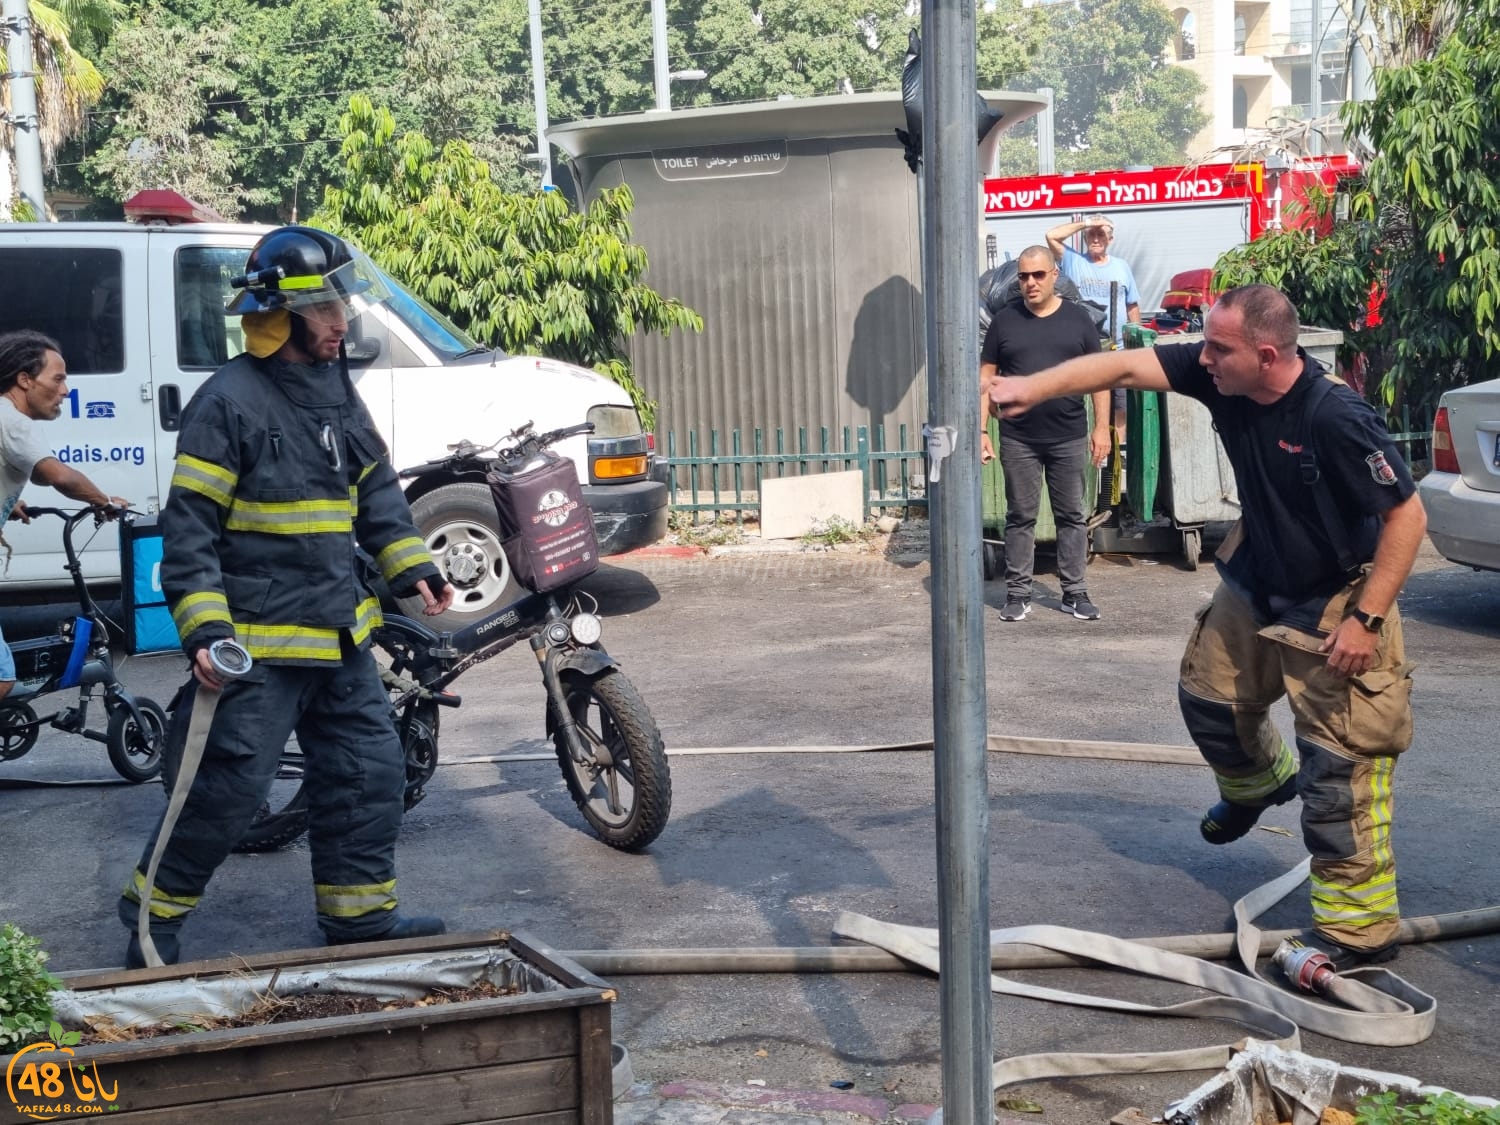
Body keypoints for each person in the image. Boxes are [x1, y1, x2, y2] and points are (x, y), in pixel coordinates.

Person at [989, 284, 1425, 970]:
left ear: (1269, 354)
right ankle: (1258, 783)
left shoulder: (1335, 416)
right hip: (1261, 575)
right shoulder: (1223, 375)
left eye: (1219, 349)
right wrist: (1032, 386)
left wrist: (1367, 620)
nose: (1204, 359)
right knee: (1209, 698)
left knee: (1341, 775)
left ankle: (1358, 934)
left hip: (1341, 597)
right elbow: (1125, 367)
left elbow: (1408, 517)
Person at [117, 227, 455, 969]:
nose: (343, 322)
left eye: (343, 303)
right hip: (261, 648)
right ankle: (151, 921)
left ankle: (359, 919)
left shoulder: (336, 389)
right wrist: (204, 630)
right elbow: (191, 532)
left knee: (369, 776)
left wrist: (410, 566)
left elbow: (375, 489)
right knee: (226, 794)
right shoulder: (227, 403)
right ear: (283, 315)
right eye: (328, 307)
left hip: (340, 638)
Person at [978, 246, 1110, 622]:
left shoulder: (1078, 320)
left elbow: (1099, 376)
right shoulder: (1005, 321)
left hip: (1068, 435)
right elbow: (986, 379)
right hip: (1019, 438)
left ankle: (1075, 593)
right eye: (1023, 276)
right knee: (1020, 516)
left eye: (1037, 275)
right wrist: (981, 431)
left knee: (1072, 515)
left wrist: (1102, 427)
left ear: (1054, 275)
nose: (1030, 283)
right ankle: (1018, 593)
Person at [0, 330, 128, 700]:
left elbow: (36, 473)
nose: (66, 390)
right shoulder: (15, 421)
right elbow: (58, 475)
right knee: (3, 678)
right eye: (57, 379)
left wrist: (11, 504)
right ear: (25, 380)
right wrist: (103, 501)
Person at [1046, 214, 1142, 433]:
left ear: (1111, 240)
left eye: (1101, 234)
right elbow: (1051, 236)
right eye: (1091, 234)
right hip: (1081, 348)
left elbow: (1132, 307)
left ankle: (1120, 457)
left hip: (1116, 348)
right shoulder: (1073, 261)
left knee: (1120, 405)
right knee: (1087, 403)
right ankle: (1092, 455)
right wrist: (1087, 223)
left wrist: (1137, 345)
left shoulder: (1121, 267)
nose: (1096, 239)